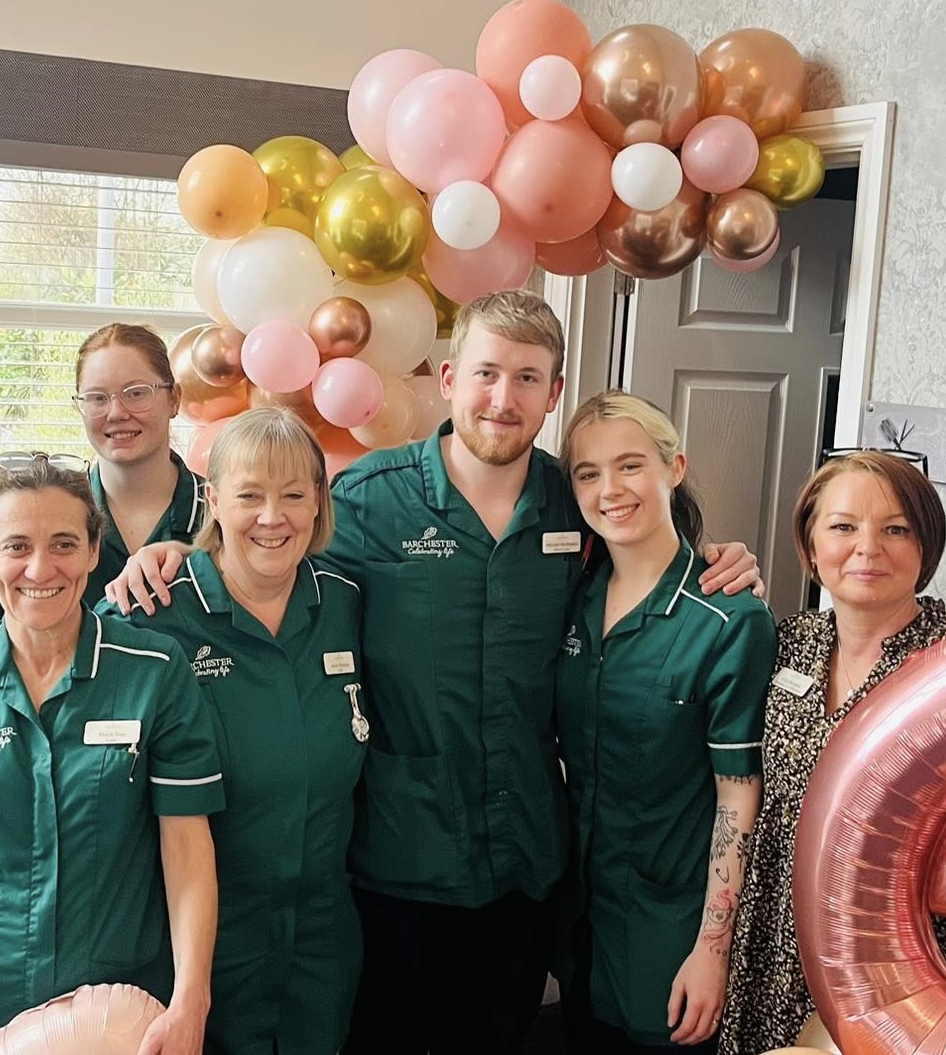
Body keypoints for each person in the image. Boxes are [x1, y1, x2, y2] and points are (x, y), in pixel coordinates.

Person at [110, 289, 762, 1053]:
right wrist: (182, 551)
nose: (503, 398)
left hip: (524, 867)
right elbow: (272, 548)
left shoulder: (574, 498)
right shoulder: (366, 500)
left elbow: (646, 550)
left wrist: (719, 555)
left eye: (527, 379)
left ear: (554, 394)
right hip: (392, 866)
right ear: (450, 379)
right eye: (487, 373)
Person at [716, 451, 946, 1055]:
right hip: (778, 931)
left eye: (896, 529)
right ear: (810, 542)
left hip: (904, 957)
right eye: (843, 526)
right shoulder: (790, 642)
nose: (867, 548)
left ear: (926, 547)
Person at [0, 455, 223, 1055]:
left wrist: (192, 998)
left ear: (93, 550)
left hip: (122, 1017)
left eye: (64, 543)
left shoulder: (155, 672)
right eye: (17, 546)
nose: (41, 568)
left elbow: (186, 847)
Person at [112, 408, 367, 1054]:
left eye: (292, 494)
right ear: (215, 498)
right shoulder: (153, 610)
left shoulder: (346, 601)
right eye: (249, 495)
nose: (272, 517)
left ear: (318, 500)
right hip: (199, 940)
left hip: (321, 934)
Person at [555, 392, 775, 1053]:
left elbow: (741, 795)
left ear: (673, 467)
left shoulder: (729, 619)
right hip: (581, 920)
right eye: (588, 473)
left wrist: (713, 950)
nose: (610, 489)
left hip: (672, 924)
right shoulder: (572, 595)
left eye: (629, 466)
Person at [75, 323, 205, 604]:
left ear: (174, 399)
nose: (117, 412)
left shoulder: (224, 513)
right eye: (97, 398)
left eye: (136, 393)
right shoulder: (57, 514)